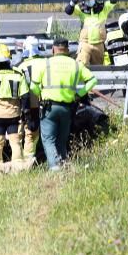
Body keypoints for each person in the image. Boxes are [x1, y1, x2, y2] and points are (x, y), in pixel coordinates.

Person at [27, 37, 97, 171]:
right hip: (67, 108)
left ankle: (55, 168)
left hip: (49, 108)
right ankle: (64, 164)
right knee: (61, 140)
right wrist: (79, 94)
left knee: (48, 140)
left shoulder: (44, 64)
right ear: (67, 50)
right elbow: (93, 81)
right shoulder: (76, 65)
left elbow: (33, 86)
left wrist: (40, 94)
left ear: (53, 49)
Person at [65, 0, 116, 65]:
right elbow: (68, 10)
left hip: (99, 45)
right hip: (85, 44)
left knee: (98, 70)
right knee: (80, 66)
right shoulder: (81, 9)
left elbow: (113, 0)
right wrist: (75, 0)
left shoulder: (103, 8)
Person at [15, 36, 44, 161]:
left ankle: (25, 158)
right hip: (43, 103)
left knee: (27, 133)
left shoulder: (20, 66)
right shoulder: (44, 63)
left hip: (26, 105)